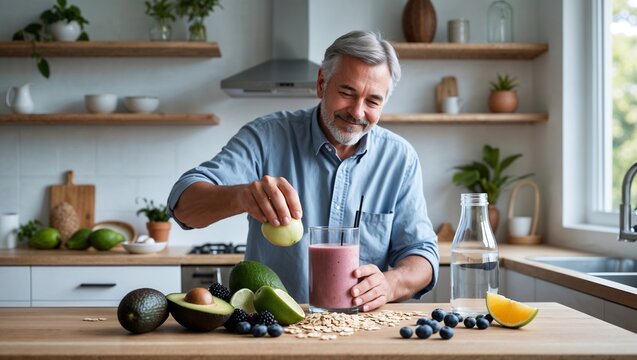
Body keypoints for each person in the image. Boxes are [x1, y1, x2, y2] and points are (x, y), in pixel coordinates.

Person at [168, 30, 439, 312]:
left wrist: (390, 283)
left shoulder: (400, 158)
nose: (358, 112)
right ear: (322, 83)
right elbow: (183, 205)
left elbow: (423, 255)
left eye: (373, 101)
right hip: (272, 328)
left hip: (363, 331)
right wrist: (241, 197)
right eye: (347, 92)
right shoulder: (265, 137)